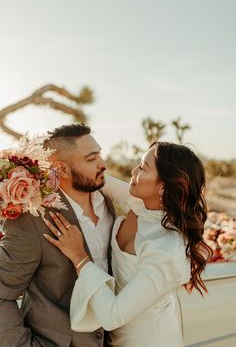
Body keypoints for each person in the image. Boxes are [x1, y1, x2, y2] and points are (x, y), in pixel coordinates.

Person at [44, 141, 212, 347]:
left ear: (162, 186)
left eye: (143, 168)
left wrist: (79, 256)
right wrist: (44, 167)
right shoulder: (140, 203)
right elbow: (95, 178)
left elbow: (112, 315)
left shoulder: (167, 248)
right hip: (114, 339)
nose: (134, 170)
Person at [0, 123, 116, 347]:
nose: (102, 163)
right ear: (61, 170)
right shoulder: (32, 221)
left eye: (100, 153)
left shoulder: (111, 204)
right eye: (91, 159)